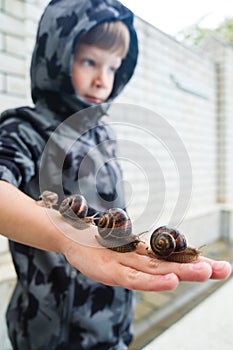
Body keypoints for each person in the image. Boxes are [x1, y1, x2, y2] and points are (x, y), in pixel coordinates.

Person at [0, 0, 231, 349]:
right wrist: (64, 236)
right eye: (89, 61)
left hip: (114, 315)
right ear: (56, 57)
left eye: (113, 68)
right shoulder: (23, 129)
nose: (101, 79)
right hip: (50, 328)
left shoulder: (103, 134)